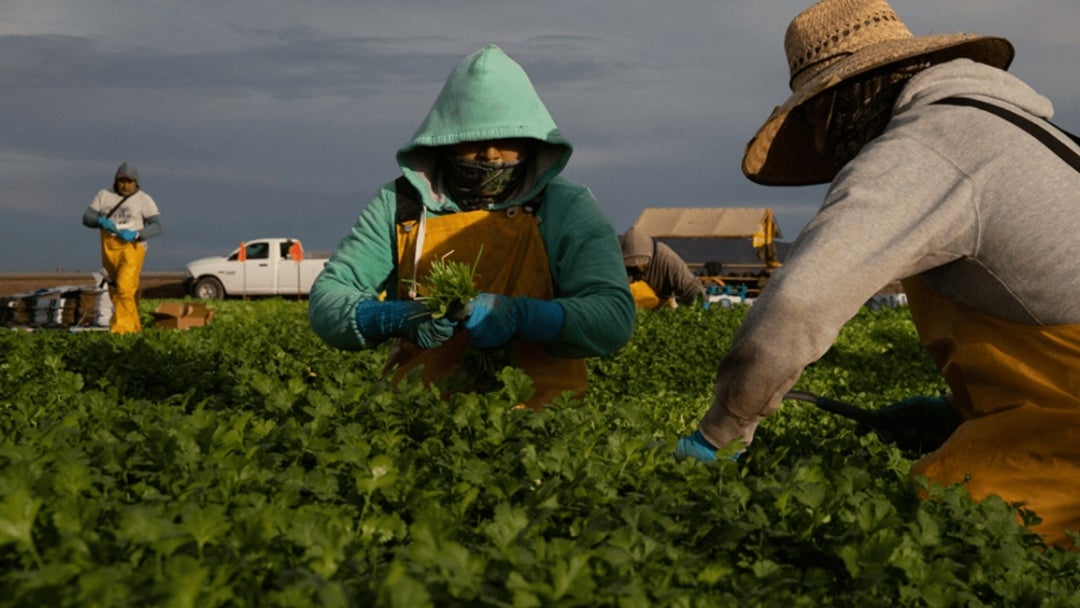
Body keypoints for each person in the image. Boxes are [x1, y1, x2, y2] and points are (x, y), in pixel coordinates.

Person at [677, 0, 1080, 548]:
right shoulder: (1006, 130)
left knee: (934, 520)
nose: (824, 146)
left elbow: (797, 304)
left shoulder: (925, 145)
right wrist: (954, 413)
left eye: (818, 123)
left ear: (842, 100)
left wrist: (720, 431)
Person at [308, 44, 635, 409]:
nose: (491, 155)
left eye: (506, 139)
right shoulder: (401, 206)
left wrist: (523, 317)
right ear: (445, 139)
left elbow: (613, 316)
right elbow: (327, 300)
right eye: (473, 140)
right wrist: (392, 318)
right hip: (416, 414)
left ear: (531, 138)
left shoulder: (566, 208)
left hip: (542, 415)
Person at [81, 162, 163, 333]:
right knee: (116, 291)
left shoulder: (144, 200)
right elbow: (87, 217)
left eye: (129, 181)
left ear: (136, 183)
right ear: (115, 181)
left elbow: (157, 226)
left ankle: (121, 332)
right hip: (109, 249)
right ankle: (134, 328)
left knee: (125, 288)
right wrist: (100, 221)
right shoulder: (104, 195)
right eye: (121, 181)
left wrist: (137, 234)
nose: (125, 185)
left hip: (132, 248)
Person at [619, 227, 705, 309]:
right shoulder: (622, 265)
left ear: (650, 255)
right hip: (634, 308)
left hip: (663, 306)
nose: (637, 265)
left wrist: (698, 310)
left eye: (642, 261)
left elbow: (691, 287)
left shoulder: (666, 258)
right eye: (632, 263)